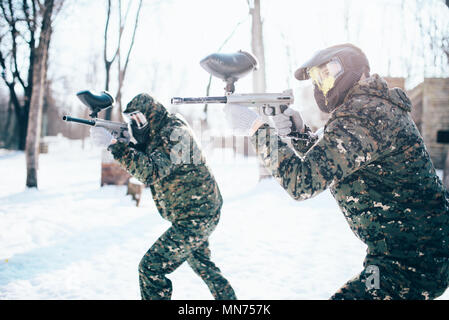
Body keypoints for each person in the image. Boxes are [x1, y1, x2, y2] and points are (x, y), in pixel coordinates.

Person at [223, 43, 449, 299]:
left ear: (352, 69)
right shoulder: (373, 106)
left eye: (327, 75)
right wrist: (300, 135)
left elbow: (301, 182)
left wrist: (256, 129)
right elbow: (343, 159)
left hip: (411, 262)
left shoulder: (365, 113)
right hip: (415, 253)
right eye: (317, 79)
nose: (321, 86)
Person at [90, 93, 236, 300]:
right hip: (196, 213)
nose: (137, 124)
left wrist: (116, 145)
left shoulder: (174, 132)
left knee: (151, 268)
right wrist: (127, 144)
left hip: (196, 217)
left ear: (153, 114)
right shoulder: (161, 132)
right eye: (132, 120)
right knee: (204, 266)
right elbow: (151, 156)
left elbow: (151, 171)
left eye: (140, 119)